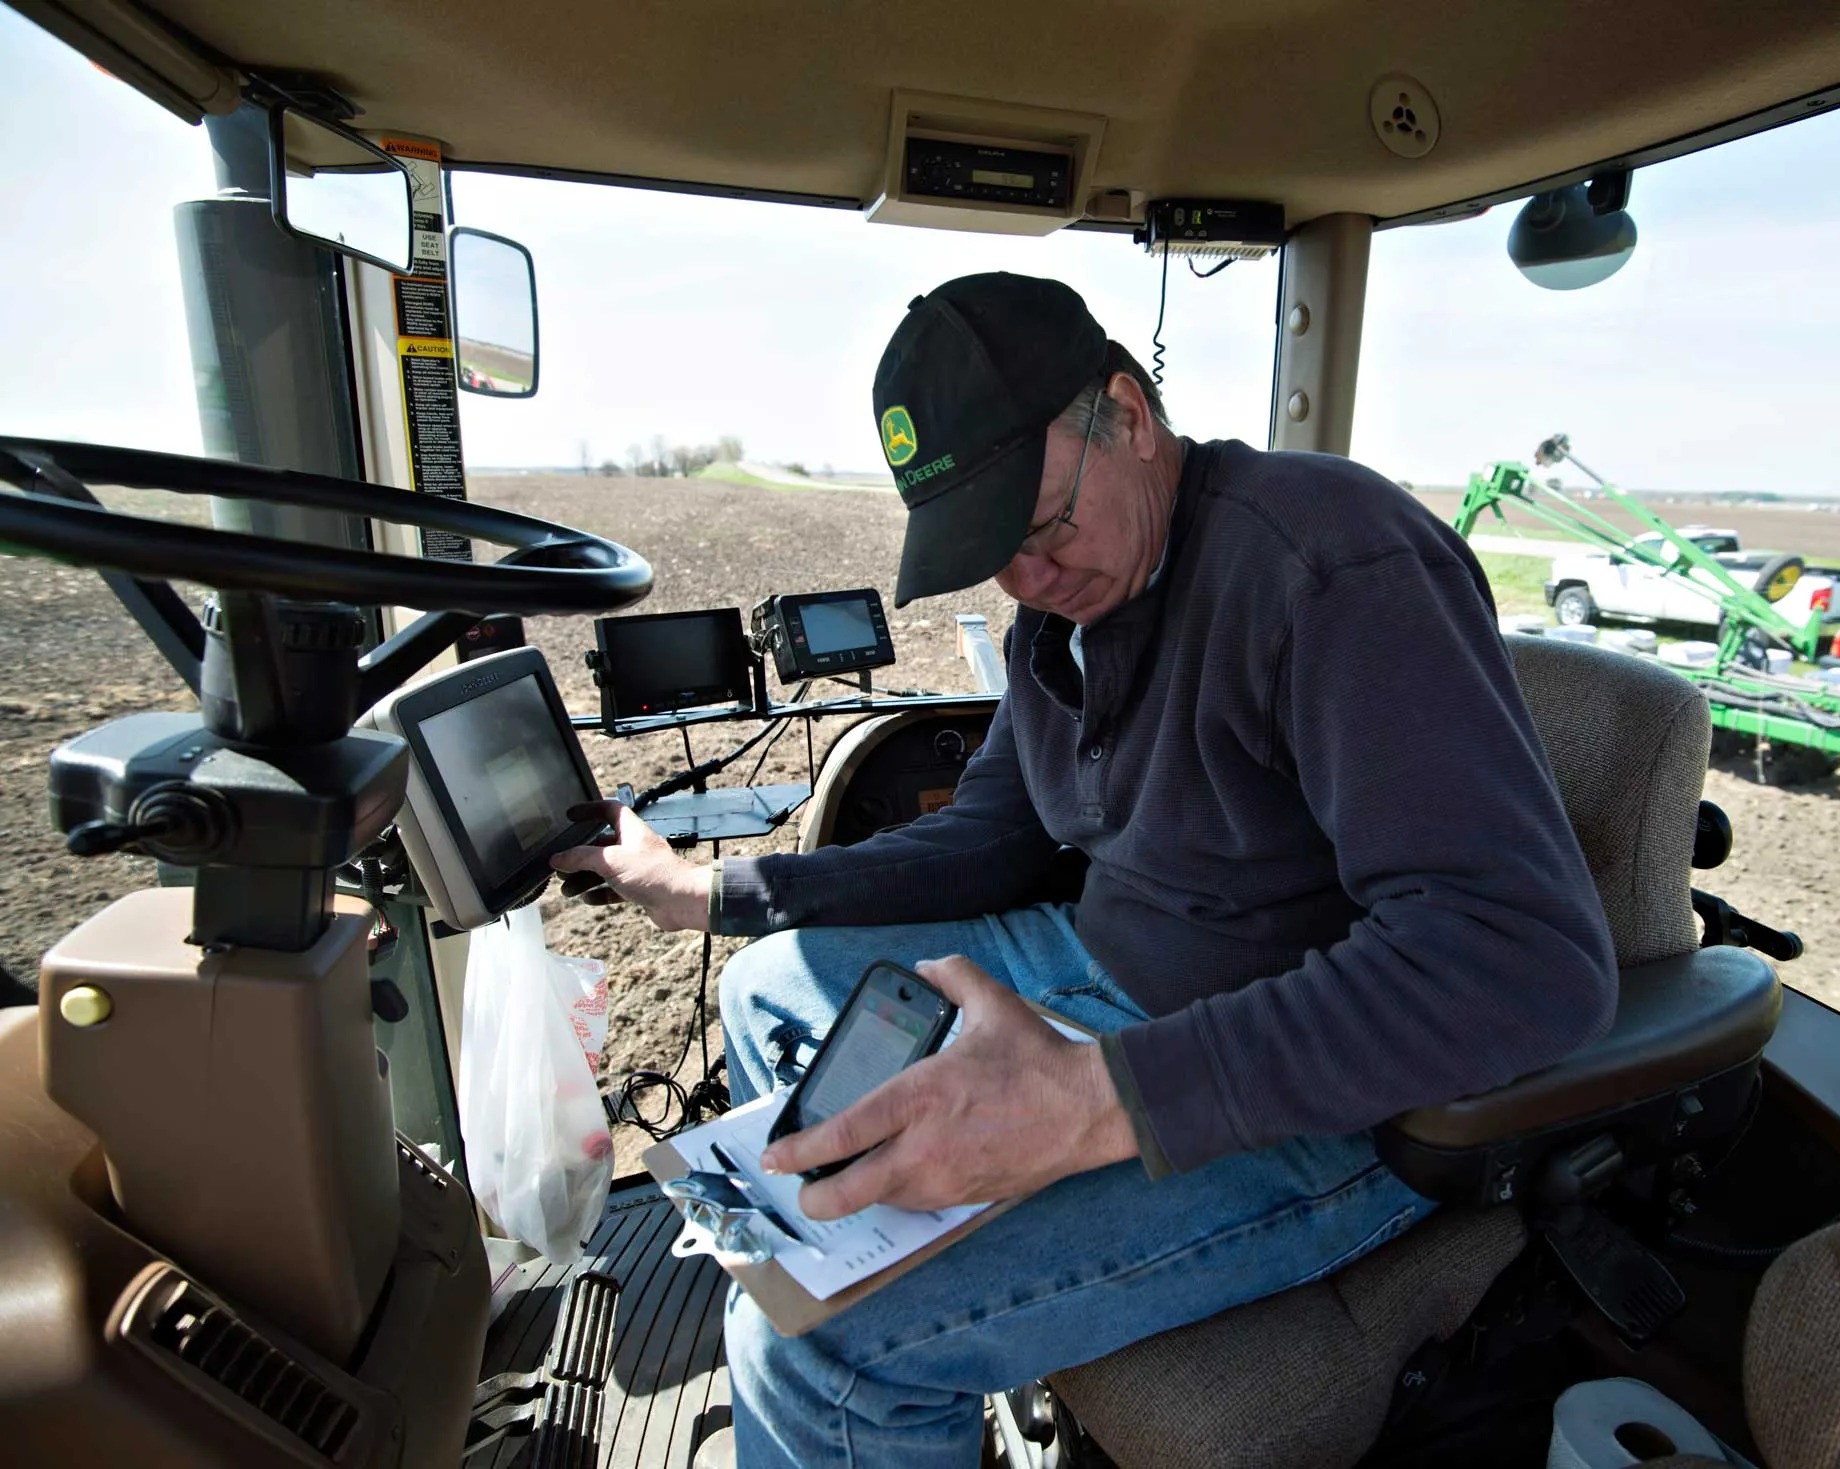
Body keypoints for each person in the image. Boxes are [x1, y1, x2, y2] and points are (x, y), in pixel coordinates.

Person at [551, 272, 1617, 1467]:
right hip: (1093, 965)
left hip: (1320, 1082)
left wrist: (1098, 1099)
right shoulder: (1060, 611)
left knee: (810, 1347)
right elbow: (992, 837)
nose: (1026, 578)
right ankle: (916, 1260)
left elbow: (1519, 957)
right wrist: (719, 895)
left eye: (1043, 523)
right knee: (765, 987)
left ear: (1128, 413)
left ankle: (895, 1347)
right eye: (990, 552)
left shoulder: (1328, 566)